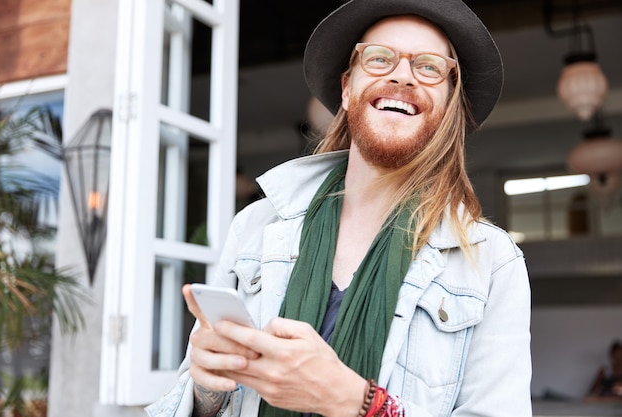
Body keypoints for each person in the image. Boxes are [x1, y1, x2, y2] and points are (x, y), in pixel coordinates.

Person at [146, 0, 532, 416]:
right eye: (380, 58)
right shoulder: (255, 228)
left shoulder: (492, 264)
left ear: (448, 104)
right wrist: (206, 389)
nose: (402, 75)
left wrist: (354, 402)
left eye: (429, 66)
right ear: (347, 89)